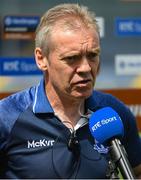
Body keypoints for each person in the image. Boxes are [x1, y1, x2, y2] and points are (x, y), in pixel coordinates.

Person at [0, 3, 141, 179]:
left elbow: (137, 172)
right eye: (71, 58)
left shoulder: (113, 113)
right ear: (41, 59)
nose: (85, 68)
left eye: (92, 55)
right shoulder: (7, 117)